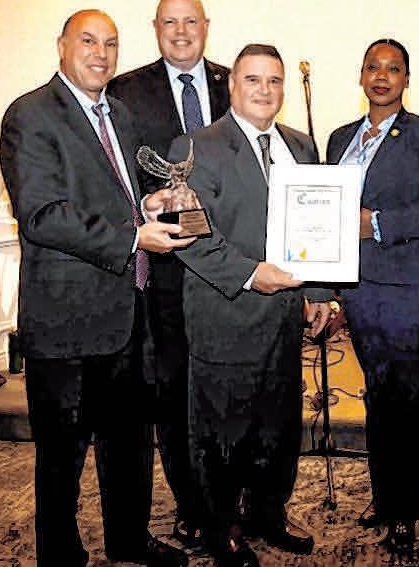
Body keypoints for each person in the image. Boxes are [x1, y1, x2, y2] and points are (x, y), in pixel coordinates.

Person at [0, 9, 193, 566]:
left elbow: (115, 198)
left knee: (128, 442)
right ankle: (61, 555)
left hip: (127, 311)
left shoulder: (121, 115)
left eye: (111, 43)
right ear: (61, 45)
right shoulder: (30, 114)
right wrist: (134, 236)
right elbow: (43, 214)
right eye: (88, 41)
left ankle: (128, 538)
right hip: (66, 320)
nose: (101, 54)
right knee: (62, 454)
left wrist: (149, 205)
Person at [167, 43, 333, 567]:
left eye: (274, 80)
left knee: (277, 428)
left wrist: (320, 291)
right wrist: (249, 274)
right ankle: (222, 528)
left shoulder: (301, 145)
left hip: (283, 320)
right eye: (253, 79)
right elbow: (189, 235)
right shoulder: (195, 147)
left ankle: (269, 514)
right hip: (225, 314)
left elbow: (317, 228)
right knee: (222, 433)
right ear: (232, 86)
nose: (265, 90)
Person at [326, 39, 419, 552]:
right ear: (361, 76)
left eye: (393, 69)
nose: (381, 76)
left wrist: (378, 224)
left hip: (409, 287)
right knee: (377, 395)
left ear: (407, 79)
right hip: (358, 289)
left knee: (409, 398)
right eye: (373, 67)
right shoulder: (340, 138)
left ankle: (405, 512)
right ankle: (384, 498)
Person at [108, 0, 230, 546]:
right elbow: (114, 177)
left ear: (206, 25)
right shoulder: (124, 92)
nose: (181, 32)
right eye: (170, 22)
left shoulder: (236, 84)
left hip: (230, 267)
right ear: (155, 28)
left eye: (190, 21)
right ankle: (193, 504)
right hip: (164, 272)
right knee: (175, 393)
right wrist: (145, 207)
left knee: (233, 387)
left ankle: (237, 498)